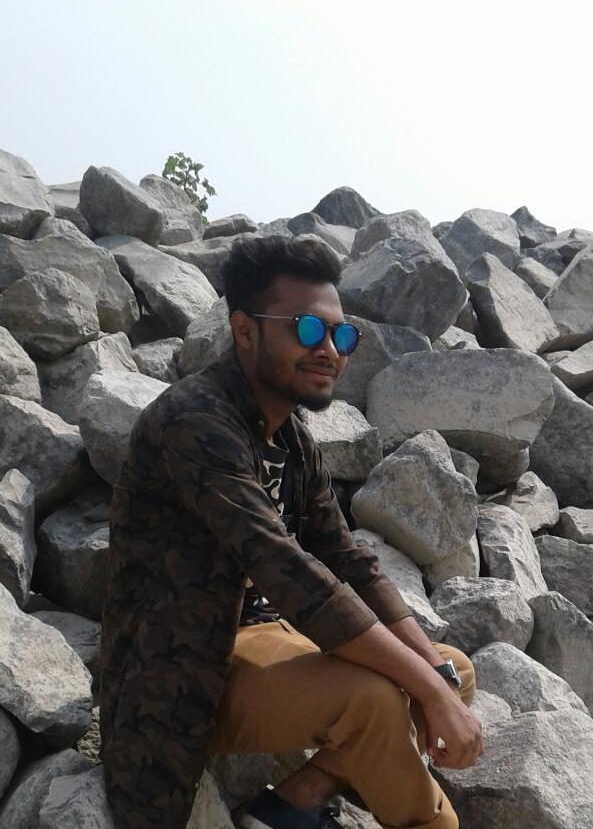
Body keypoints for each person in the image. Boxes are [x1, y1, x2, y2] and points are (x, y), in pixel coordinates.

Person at [98, 235, 483, 829]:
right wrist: (426, 693)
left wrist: (432, 676)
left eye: (340, 335)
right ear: (245, 332)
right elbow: (289, 571)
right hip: (188, 665)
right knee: (379, 700)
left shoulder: (290, 436)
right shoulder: (194, 422)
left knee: (451, 668)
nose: (328, 350)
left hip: (268, 637)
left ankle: (295, 801)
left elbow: (346, 559)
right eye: (306, 330)